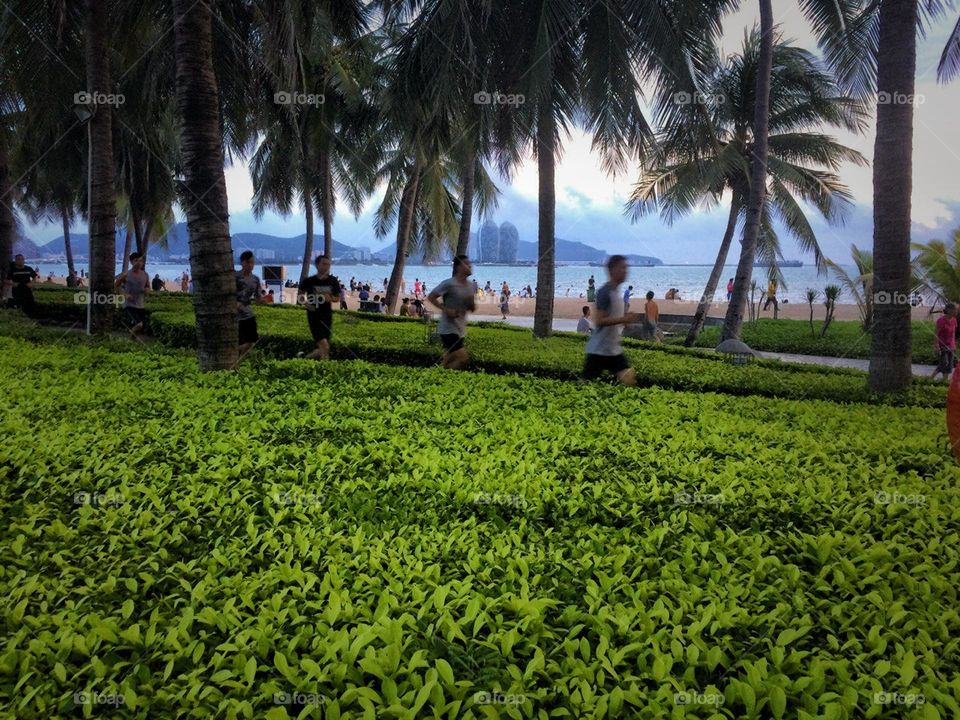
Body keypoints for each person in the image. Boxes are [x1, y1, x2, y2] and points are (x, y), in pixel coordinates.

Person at [583, 255, 641, 385]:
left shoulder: (615, 292)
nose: (625, 271)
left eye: (626, 268)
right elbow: (599, 321)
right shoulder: (605, 292)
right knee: (585, 386)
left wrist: (625, 321)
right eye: (622, 268)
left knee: (629, 380)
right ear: (611, 270)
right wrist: (623, 319)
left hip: (613, 349)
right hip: (598, 350)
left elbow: (613, 318)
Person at [428, 255, 476, 370]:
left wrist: (470, 303)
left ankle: (437, 375)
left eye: (470, 263)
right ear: (458, 267)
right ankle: (442, 375)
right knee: (463, 359)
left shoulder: (471, 286)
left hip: (460, 329)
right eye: (467, 264)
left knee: (450, 359)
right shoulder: (449, 284)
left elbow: (472, 308)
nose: (470, 266)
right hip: (448, 329)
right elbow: (431, 297)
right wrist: (446, 310)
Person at [297, 254, 341, 361]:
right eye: (324, 264)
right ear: (317, 265)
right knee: (325, 346)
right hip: (314, 316)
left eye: (328, 264)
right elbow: (300, 296)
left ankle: (304, 358)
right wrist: (307, 304)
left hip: (327, 315)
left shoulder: (333, 281)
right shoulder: (309, 281)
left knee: (323, 348)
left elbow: (337, 298)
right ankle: (324, 370)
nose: (326, 267)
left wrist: (329, 298)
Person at [115, 251, 150, 336]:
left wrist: (147, 290)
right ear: (131, 262)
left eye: (141, 261)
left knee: (141, 327)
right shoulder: (126, 274)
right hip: (129, 305)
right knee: (139, 324)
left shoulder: (145, 275)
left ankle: (132, 341)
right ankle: (130, 336)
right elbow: (116, 286)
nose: (139, 263)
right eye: (136, 260)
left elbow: (148, 287)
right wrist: (124, 294)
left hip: (140, 304)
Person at [236, 250, 263, 361]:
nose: (251, 265)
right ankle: (236, 360)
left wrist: (263, 300)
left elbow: (258, 297)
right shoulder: (235, 277)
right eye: (248, 262)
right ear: (242, 262)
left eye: (252, 262)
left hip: (248, 313)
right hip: (236, 315)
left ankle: (237, 358)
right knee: (241, 340)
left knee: (252, 341)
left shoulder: (255, 279)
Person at [931, 303, 957, 382]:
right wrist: (936, 345)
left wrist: (954, 345)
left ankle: (944, 381)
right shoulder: (941, 320)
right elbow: (936, 333)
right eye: (954, 309)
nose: (956, 311)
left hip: (951, 345)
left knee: (949, 365)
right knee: (944, 362)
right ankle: (930, 378)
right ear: (948, 310)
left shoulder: (954, 320)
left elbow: (953, 333)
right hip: (942, 345)